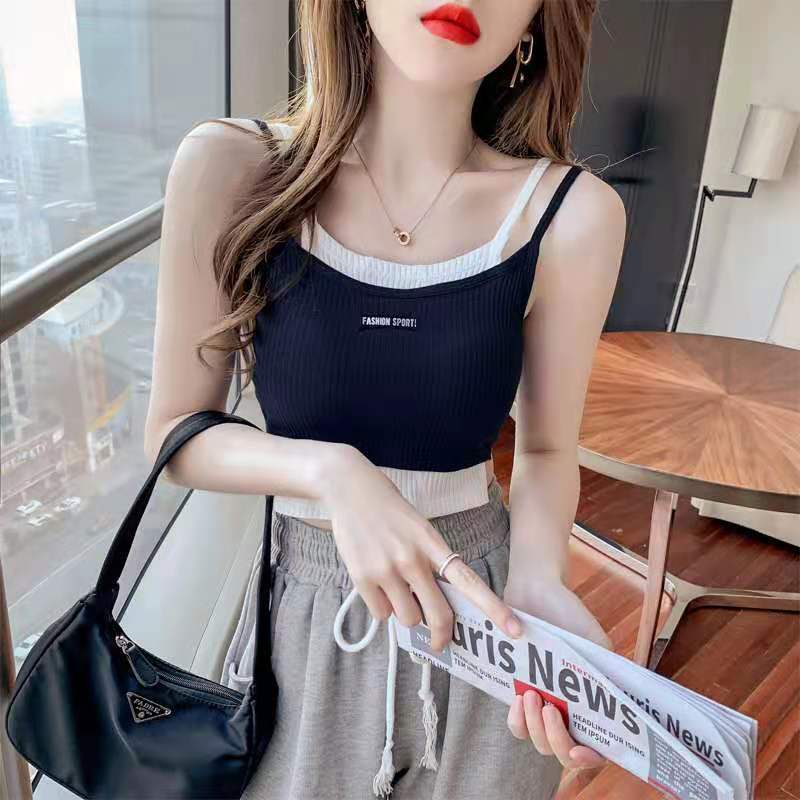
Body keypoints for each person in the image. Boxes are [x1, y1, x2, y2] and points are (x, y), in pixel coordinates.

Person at [144, 0, 626, 797]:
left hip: (484, 611)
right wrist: (334, 475)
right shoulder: (233, 168)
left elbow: (545, 448)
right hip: (303, 613)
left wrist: (540, 584)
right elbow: (175, 434)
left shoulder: (571, 213)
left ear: (538, 20)